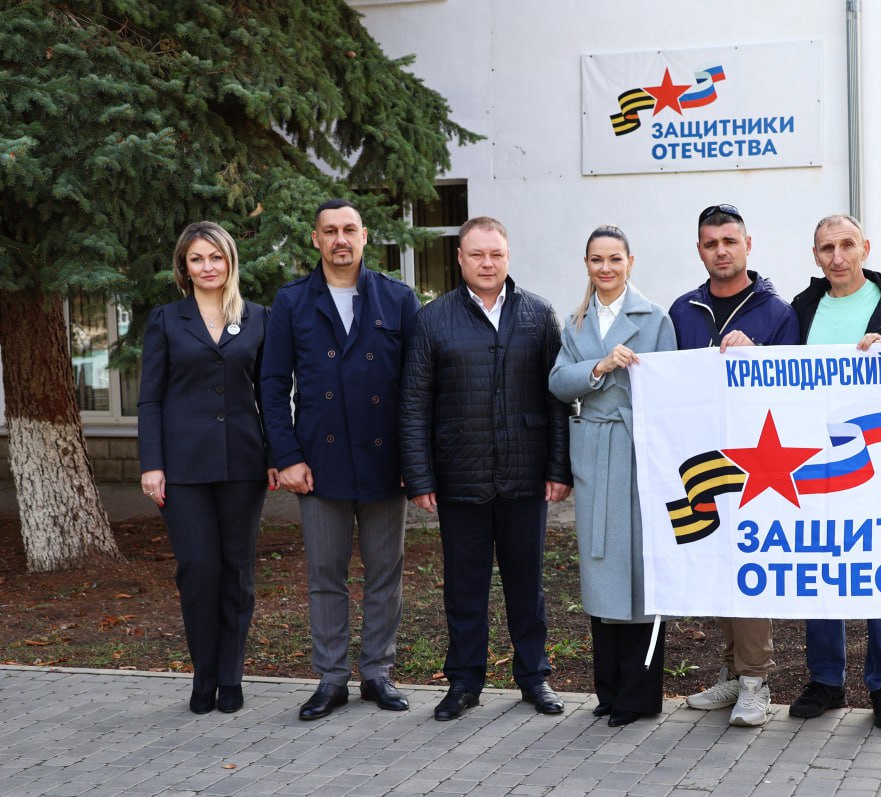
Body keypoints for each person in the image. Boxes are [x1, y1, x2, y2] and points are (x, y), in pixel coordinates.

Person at [400, 216, 573, 722]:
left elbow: (557, 398)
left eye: (496, 253)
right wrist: (420, 476)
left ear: (508, 256)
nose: (487, 263)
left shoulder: (539, 314)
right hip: (460, 476)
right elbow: (414, 404)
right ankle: (464, 681)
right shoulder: (433, 320)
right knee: (464, 588)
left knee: (527, 585)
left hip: (524, 475)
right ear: (460, 258)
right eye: (477, 254)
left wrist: (558, 467)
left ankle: (534, 677)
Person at [261, 199, 422, 721]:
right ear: (316, 239)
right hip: (319, 463)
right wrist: (287, 455)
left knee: (385, 573)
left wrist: (414, 459)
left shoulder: (398, 298)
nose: (340, 239)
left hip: (385, 461)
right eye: (329, 231)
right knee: (325, 575)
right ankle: (331, 678)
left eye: (349, 229)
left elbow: (418, 386)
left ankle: (377, 672)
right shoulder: (292, 301)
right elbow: (272, 385)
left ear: (364, 235)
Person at [787, 214, 881, 729]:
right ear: (815, 255)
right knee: (821, 564)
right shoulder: (800, 309)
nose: (838, 257)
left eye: (847, 245)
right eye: (826, 248)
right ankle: (826, 680)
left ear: (865, 248)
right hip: (817, 461)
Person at [668, 203, 799, 727]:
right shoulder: (683, 309)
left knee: (749, 565)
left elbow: (792, 388)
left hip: (759, 463)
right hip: (703, 456)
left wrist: (757, 353)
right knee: (717, 562)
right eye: (711, 243)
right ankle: (731, 672)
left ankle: (755, 681)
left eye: (729, 241)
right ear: (699, 250)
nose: (721, 251)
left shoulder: (776, 311)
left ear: (748, 245)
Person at [138, 221, 276, 715]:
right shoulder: (166, 319)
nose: (207, 266)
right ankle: (204, 675)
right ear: (184, 266)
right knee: (198, 568)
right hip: (183, 467)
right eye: (197, 258)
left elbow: (270, 393)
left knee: (237, 571)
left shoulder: (258, 318)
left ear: (230, 261)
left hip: (243, 463)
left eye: (215, 257)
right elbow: (150, 398)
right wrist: (152, 464)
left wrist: (277, 456)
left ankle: (231, 677)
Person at [548, 225, 677, 727]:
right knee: (601, 564)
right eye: (597, 260)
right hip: (595, 452)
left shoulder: (654, 318)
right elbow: (558, 381)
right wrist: (599, 367)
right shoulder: (576, 322)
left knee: (639, 571)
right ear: (586, 264)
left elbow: (669, 387)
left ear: (630, 262)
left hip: (637, 453)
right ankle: (608, 688)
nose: (606, 268)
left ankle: (638, 696)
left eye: (614, 259)